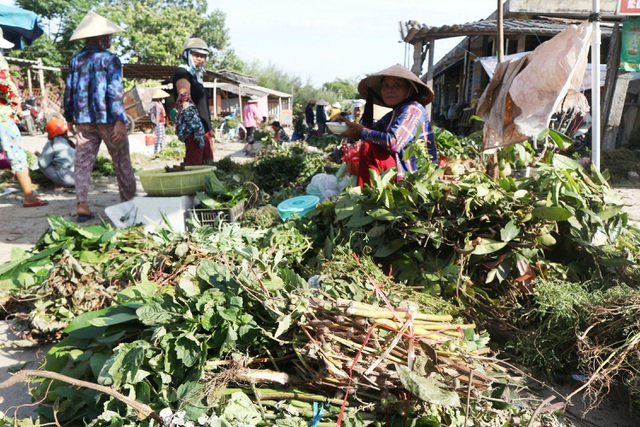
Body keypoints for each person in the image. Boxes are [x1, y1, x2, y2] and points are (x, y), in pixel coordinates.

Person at [64, 11, 136, 222]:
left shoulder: (75, 60)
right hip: (108, 120)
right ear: (104, 37)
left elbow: (69, 90)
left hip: (83, 121)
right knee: (122, 161)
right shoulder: (110, 59)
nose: (111, 39)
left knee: (82, 163)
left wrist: (69, 116)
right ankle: (129, 203)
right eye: (110, 36)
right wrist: (120, 121)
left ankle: (82, 205)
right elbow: (114, 91)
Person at [338, 64, 438, 188]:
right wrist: (346, 125)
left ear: (410, 90)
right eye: (385, 85)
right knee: (370, 143)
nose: (389, 90)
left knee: (368, 148)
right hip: (398, 168)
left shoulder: (413, 108)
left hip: (413, 176)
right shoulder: (394, 114)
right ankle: (367, 192)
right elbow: (371, 131)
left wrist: (362, 132)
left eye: (397, 85)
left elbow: (393, 142)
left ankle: (365, 194)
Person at [0, 29, 48, 208]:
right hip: (3, 116)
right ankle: (29, 197)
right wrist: (16, 103)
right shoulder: (0, 62)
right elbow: (5, 83)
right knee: (17, 155)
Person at [172, 37, 214, 165]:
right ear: (187, 55)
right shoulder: (182, 73)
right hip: (194, 129)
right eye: (196, 55)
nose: (200, 59)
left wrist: (208, 127)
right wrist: (196, 128)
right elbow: (185, 101)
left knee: (207, 163)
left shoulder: (196, 76)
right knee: (195, 165)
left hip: (203, 128)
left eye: (203, 56)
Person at [37, 119, 75, 188]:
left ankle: (58, 184)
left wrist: (39, 156)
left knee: (42, 163)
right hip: (80, 179)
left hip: (67, 180)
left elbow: (43, 164)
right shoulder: (70, 142)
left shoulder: (51, 143)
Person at [149, 88, 169, 154]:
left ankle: (162, 150)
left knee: (163, 136)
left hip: (161, 121)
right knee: (159, 137)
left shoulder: (159, 103)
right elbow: (147, 109)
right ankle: (156, 151)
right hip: (157, 121)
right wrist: (152, 114)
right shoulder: (154, 103)